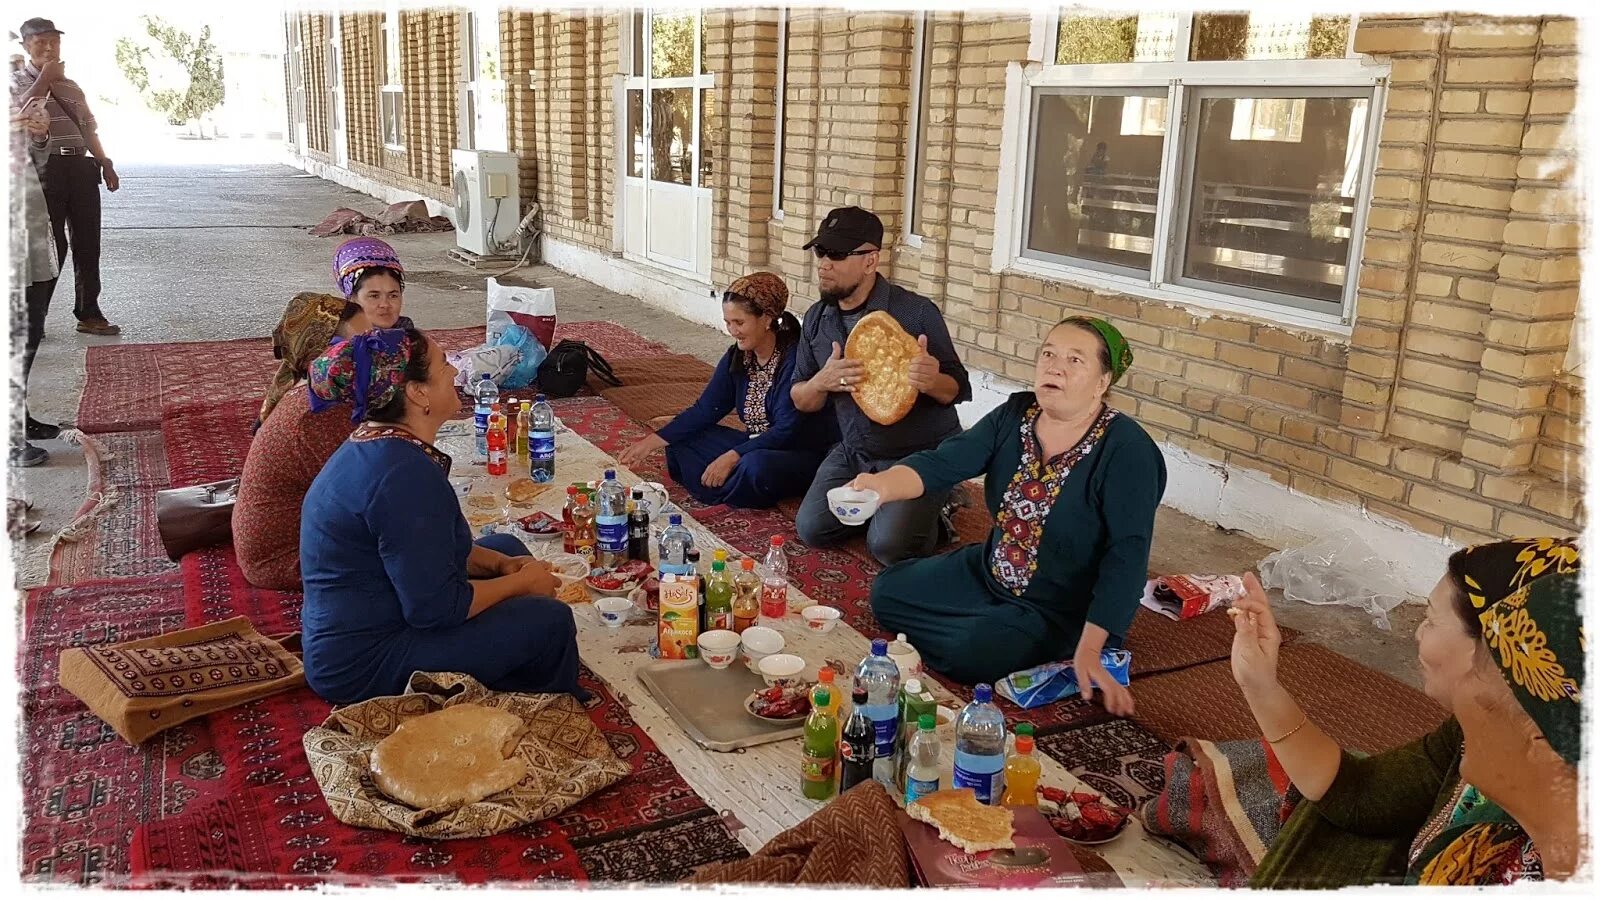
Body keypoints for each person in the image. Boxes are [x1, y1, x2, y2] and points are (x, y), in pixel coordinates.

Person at [1235, 537, 1583, 886]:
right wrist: (1260, 686)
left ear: (1542, 736)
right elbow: (1363, 796)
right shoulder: (1488, 746)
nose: (1415, 633)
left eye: (1484, 668)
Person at [852, 318, 1162, 699]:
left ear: (1103, 382)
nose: (1055, 366)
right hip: (990, 570)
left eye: (1075, 360)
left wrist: (1093, 646)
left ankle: (1020, 637)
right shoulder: (1017, 414)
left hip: (1059, 605)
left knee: (973, 653)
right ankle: (983, 621)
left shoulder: (1128, 452)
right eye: (1048, 353)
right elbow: (944, 462)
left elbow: (1127, 557)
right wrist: (879, 486)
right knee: (887, 590)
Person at [298, 327, 585, 705]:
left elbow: (428, 547)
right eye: (442, 364)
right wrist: (521, 585)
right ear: (418, 393)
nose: (454, 372)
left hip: (371, 616)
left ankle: (508, 648)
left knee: (505, 547)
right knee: (548, 619)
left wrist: (500, 565)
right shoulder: (403, 476)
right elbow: (436, 610)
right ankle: (534, 702)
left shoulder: (378, 443)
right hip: (363, 664)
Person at [790, 206, 971, 565]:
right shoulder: (816, 318)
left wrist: (930, 380)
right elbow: (800, 399)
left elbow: (958, 390)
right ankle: (887, 509)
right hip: (856, 450)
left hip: (919, 452)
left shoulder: (915, 313)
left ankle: (942, 498)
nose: (824, 263)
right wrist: (822, 382)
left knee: (888, 548)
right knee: (812, 528)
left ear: (871, 260)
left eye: (838, 254)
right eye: (821, 252)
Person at [617, 272, 835, 507]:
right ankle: (734, 487)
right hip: (753, 443)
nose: (732, 331)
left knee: (755, 466)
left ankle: (726, 487)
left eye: (739, 323)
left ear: (767, 318)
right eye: (728, 323)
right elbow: (706, 410)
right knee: (680, 439)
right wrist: (650, 443)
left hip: (793, 453)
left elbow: (785, 431)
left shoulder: (794, 359)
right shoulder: (738, 356)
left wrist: (732, 456)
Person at [232, 294, 371, 591]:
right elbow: (367, 496)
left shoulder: (319, 391)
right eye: (359, 346)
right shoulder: (320, 413)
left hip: (300, 537)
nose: (372, 353)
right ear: (323, 353)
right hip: (286, 557)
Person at [11, 17, 120, 336]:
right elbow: (21, 109)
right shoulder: (14, 82)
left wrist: (103, 161)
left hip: (81, 168)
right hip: (43, 169)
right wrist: (45, 77)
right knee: (49, 245)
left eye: (54, 41)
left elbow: (88, 127)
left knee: (88, 242)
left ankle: (89, 311)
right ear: (25, 46)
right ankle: (33, 318)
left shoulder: (72, 87)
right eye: (40, 41)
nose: (48, 47)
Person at [11, 85, 58, 468]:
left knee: (28, 332)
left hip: (29, 227)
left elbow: (36, 162)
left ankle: (19, 417)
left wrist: (38, 135)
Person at [334, 236, 413, 330]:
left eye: (393, 296)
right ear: (352, 298)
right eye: (374, 296)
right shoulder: (336, 342)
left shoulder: (414, 339)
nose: (385, 304)